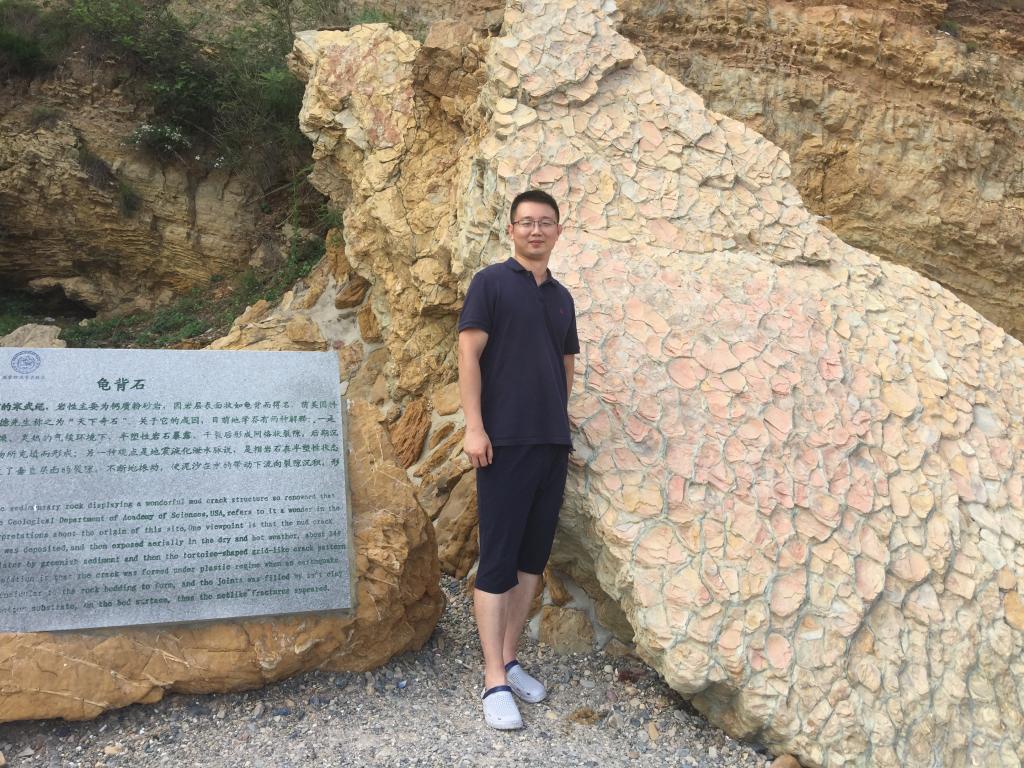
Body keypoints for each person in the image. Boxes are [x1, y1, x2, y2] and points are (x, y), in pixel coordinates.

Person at [457, 189, 579, 730]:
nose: (535, 230)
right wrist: (475, 427)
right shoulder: (490, 283)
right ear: (511, 230)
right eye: (526, 222)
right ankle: (492, 680)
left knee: (531, 561)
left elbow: (566, 362)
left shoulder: (562, 297)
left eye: (545, 222)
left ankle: (509, 658)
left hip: (551, 444)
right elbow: (468, 353)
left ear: (557, 231)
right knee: (498, 560)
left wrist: (556, 415)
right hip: (503, 443)